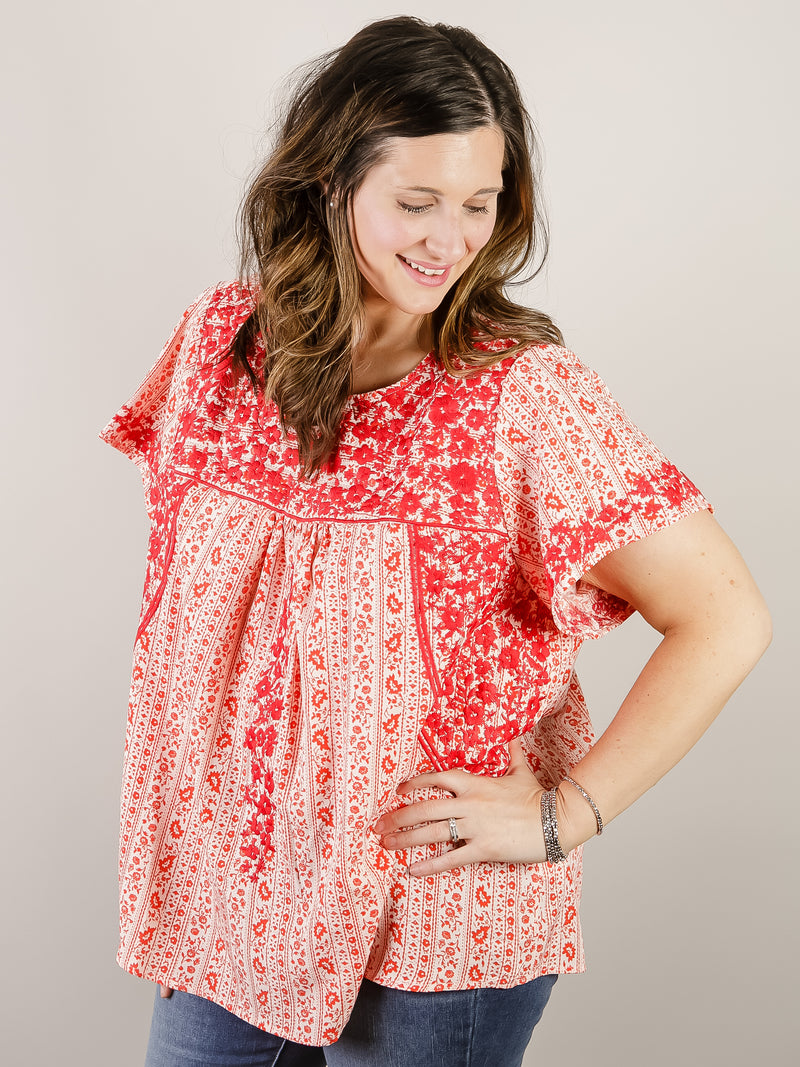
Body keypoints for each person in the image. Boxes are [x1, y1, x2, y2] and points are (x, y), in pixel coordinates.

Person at [101, 16, 771, 1067]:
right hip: (236, 898)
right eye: (415, 201)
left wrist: (564, 813)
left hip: (435, 920)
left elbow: (724, 614)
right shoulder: (211, 350)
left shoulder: (519, 394)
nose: (448, 238)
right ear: (326, 183)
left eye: (478, 202)